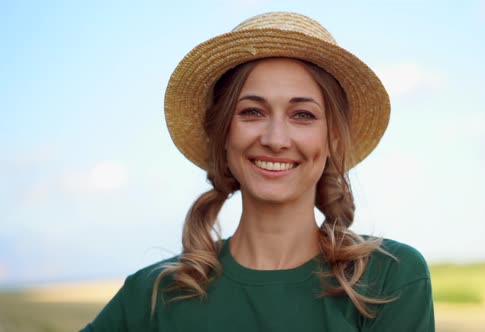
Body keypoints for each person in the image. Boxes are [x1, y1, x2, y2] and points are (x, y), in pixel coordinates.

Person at [81, 11, 434, 332]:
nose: (276, 139)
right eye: (252, 112)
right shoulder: (152, 294)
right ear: (221, 133)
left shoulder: (389, 279)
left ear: (334, 140)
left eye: (303, 115)